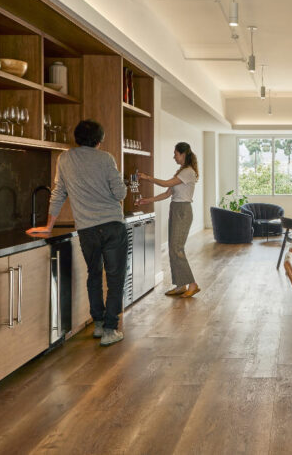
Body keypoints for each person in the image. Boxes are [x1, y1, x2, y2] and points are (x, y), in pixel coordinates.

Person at [27, 120, 127, 347]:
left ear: (77, 137)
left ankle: (99, 324)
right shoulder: (106, 158)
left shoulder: (64, 159)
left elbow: (58, 193)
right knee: (115, 278)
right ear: (99, 140)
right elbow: (120, 192)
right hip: (112, 225)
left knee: (93, 274)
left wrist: (49, 226)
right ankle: (111, 329)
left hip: (87, 229)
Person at [137, 142, 200, 298]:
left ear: (183, 154)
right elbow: (166, 193)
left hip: (182, 211)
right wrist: (147, 200)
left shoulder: (188, 172)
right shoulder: (181, 172)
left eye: (175, 154)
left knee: (176, 248)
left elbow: (165, 183)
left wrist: (147, 177)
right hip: (176, 209)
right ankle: (181, 285)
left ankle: (192, 284)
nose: (174, 157)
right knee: (174, 248)